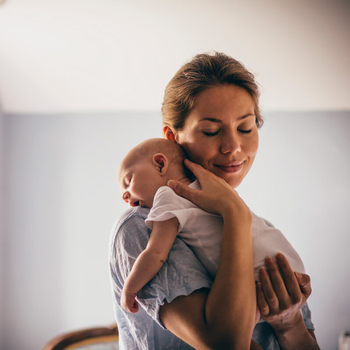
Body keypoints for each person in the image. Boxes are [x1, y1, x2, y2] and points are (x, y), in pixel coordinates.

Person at [109, 52, 319, 349]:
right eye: (211, 131)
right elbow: (227, 344)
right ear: (172, 137)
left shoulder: (262, 233)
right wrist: (234, 214)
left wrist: (289, 324)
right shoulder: (142, 224)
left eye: (245, 128)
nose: (233, 147)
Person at [117, 138, 305, 320]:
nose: (125, 196)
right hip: (286, 262)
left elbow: (156, 253)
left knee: (235, 333)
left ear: (160, 164)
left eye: (128, 181)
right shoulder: (215, 189)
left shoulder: (168, 195)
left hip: (260, 270)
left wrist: (130, 289)